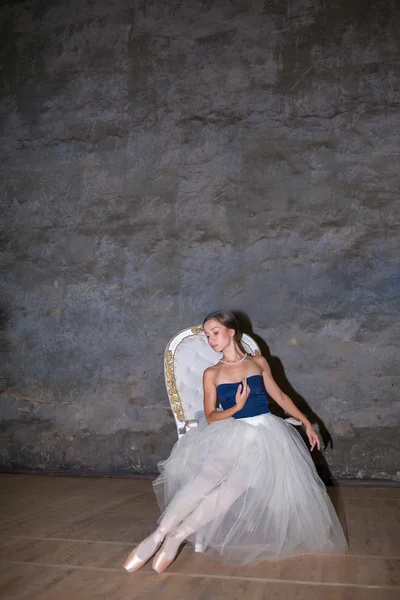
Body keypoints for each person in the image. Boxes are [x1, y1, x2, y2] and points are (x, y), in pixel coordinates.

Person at [123, 311, 348, 574]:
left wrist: (307, 422)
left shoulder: (259, 363)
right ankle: (159, 534)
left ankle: (178, 536)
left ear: (232, 332)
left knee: (232, 490)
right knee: (205, 479)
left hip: (266, 434)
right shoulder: (213, 372)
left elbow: (282, 397)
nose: (210, 340)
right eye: (207, 336)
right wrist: (236, 407)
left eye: (214, 333)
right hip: (231, 432)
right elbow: (211, 416)